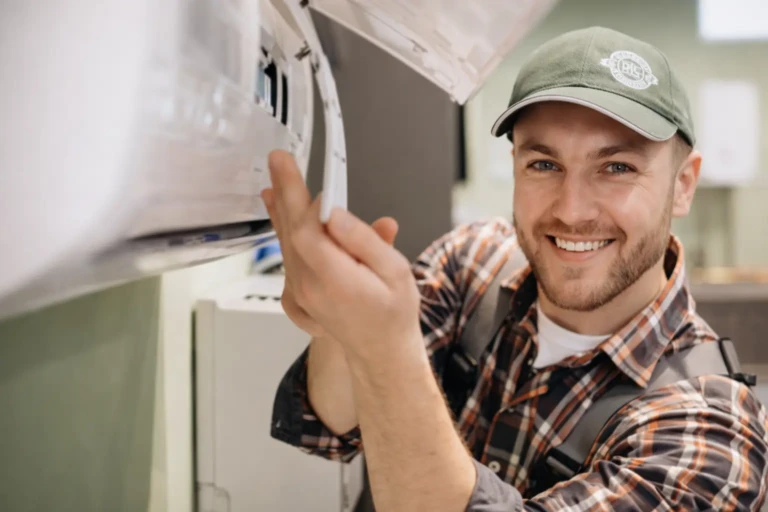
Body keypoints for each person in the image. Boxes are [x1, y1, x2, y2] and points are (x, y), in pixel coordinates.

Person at [264, 26, 768, 511]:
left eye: (617, 168)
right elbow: (327, 425)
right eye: (544, 165)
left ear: (683, 184)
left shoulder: (710, 436)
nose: (571, 211)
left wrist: (383, 348)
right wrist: (338, 327)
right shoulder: (471, 266)